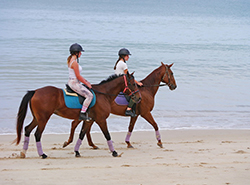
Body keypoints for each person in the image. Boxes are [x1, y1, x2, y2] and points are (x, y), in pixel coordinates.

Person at [67, 43, 93, 121]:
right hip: (74, 83)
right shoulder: (74, 63)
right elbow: (78, 76)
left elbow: (78, 76)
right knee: (89, 96)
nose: (81, 53)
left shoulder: (71, 60)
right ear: (76, 53)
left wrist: (85, 81)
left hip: (73, 81)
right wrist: (86, 83)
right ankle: (82, 113)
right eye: (80, 52)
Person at [114, 48, 143, 117]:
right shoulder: (124, 64)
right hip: (122, 83)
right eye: (127, 56)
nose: (128, 57)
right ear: (124, 56)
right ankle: (128, 109)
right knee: (134, 94)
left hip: (118, 82)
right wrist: (137, 83)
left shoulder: (118, 63)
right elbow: (128, 76)